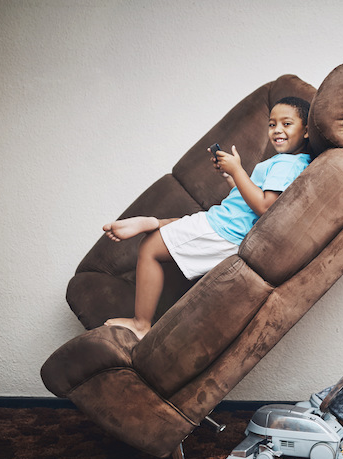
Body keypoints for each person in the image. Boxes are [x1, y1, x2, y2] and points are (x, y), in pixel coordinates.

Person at [102, 97, 312, 340]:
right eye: (272, 124)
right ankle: (153, 222)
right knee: (187, 224)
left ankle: (140, 324)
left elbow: (266, 207)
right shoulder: (288, 163)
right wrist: (231, 177)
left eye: (287, 124)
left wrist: (237, 170)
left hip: (228, 230)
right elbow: (251, 197)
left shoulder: (288, 164)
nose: (277, 130)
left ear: (306, 130)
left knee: (149, 248)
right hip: (226, 221)